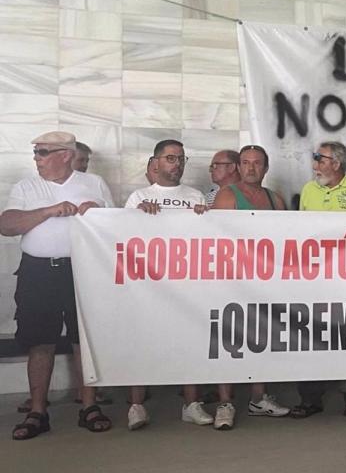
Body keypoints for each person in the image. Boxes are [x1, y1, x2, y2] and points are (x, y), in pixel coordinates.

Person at [2, 131, 114, 439]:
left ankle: (89, 406)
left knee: (85, 340)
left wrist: (99, 214)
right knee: (40, 341)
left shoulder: (94, 185)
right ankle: (38, 410)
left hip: (83, 270)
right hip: (38, 272)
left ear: (65, 155)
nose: (36, 158)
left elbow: (116, 230)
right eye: (36, 152)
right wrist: (49, 211)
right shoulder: (27, 186)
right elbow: (6, 224)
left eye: (42, 152)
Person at [123, 140, 210, 430]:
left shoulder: (195, 195)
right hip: (148, 284)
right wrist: (138, 216)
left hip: (186, 284)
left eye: (181, 158)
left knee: (191, 343)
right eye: (171, 158)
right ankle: (136, 406)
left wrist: (205, 218)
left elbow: (207, 237)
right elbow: (122, 236)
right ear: (155, 163)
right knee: (141, 343)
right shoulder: (139, 196)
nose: (177, 163)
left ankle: (191, 404)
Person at [211, 145, 292, 428]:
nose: (250, 168)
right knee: (228, 341)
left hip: (265, 280)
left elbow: (285, 241)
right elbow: (218, 240)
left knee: (262, 337)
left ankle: (259, 398)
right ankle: (225, 402)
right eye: (245, 163)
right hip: (232, 279)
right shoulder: (226, 196)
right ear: (238, 167)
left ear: (265, 168)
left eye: (257, 163)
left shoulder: (275, 199)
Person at [289, 141, 346, 418]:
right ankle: (310, 398)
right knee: (310, 336)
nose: (315, 165)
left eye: (319, 159)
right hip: (314, 278)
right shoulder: (308, 190)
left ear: (336, 164)